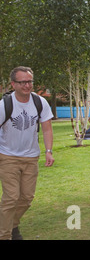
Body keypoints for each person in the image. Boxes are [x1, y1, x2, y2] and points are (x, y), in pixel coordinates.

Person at [0, 67, 54, 240]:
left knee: (26, 198)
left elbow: (46, 129)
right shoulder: (4, 105)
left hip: (31, 157)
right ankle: (5, 235)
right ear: (13, 84)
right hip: (8, 156)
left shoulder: (40, 102)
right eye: (22, 82)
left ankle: (11, 224)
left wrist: (48, 151)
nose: (27, 85)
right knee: (11, 198)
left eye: (29, 81)